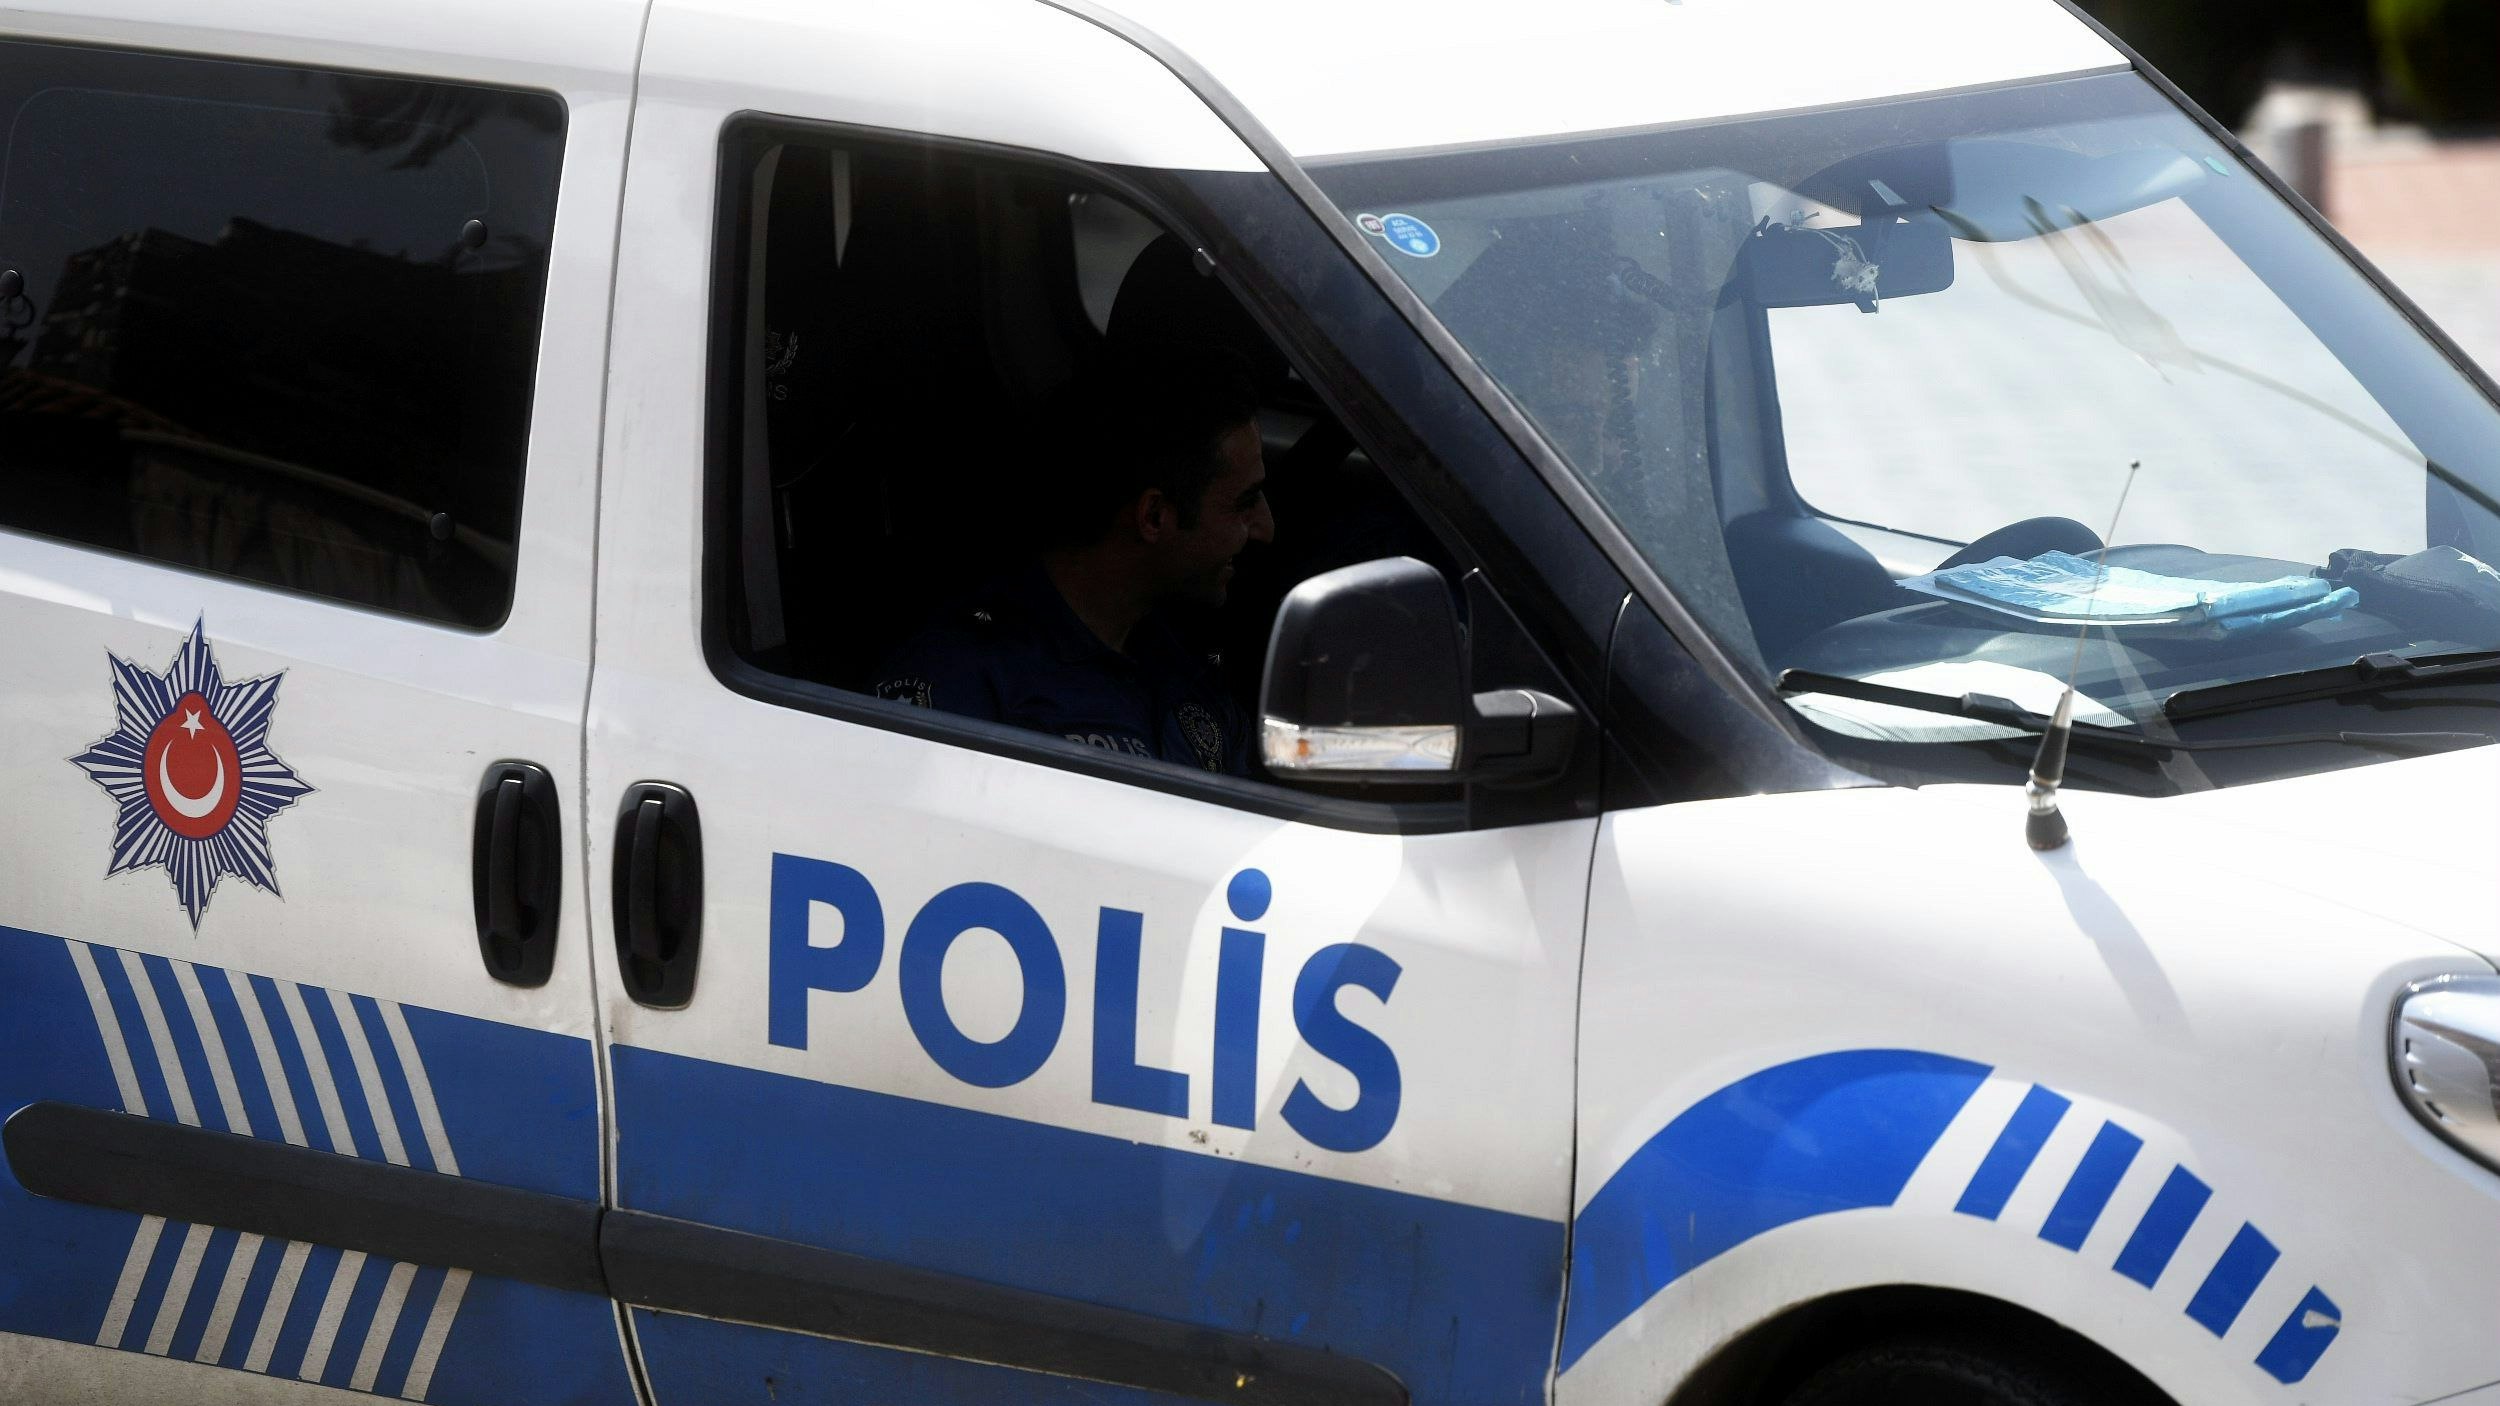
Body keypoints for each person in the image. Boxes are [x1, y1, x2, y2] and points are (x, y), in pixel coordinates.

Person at [872, 350, 1275, 775]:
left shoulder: (1191, 675)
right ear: (1154, 516)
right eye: (1244, 503)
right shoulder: (964, 679)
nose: (1266, 528)